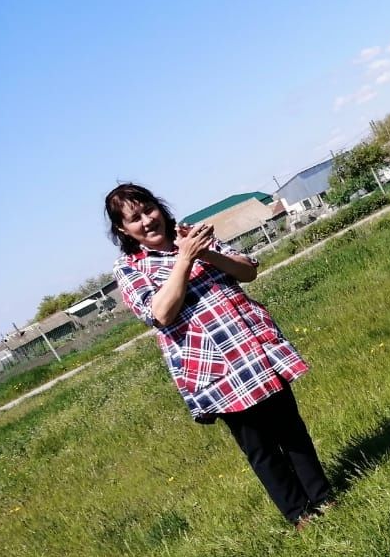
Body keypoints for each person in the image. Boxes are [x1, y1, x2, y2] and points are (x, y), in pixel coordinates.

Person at [105, 183, 334, 532]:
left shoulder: (192, 236)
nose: (147, 220)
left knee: (291, 429)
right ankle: (299, 515)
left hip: (252, 345)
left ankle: (323, 499)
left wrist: (204, 252)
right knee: (259, 447)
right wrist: (184, 259)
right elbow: (161, 313)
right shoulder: (130, 268)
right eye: (134, 218)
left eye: (148, 209)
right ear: (124, 230)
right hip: (212, 365)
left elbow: (247, 270)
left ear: (158, 206)